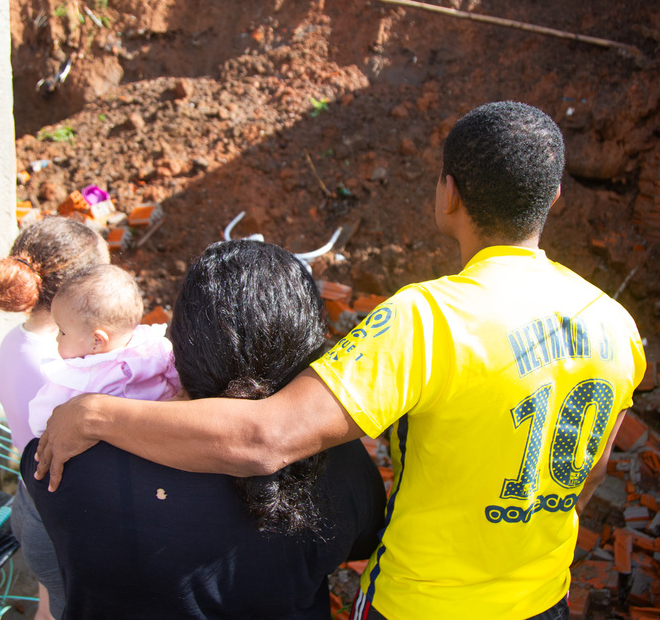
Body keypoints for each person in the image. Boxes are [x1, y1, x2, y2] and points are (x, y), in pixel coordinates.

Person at [34, 102, 646, 619]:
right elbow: (589, 473)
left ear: (449, 191)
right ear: (555, 197)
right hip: (543, 597)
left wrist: (95, 415)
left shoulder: (429, 320)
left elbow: (265, 438)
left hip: (420, 601)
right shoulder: (618, 327)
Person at [21, 240, 386, 619]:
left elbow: (47, 562)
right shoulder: (338, 457)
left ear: (182, 341)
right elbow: (364, 544)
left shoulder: (61, 459)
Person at [0, 216, 109, 620]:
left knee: (50, 604)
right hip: (60, 522)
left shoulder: (18, 341)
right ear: (80, 288)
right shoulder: (64, 367)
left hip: (29, 505)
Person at [28, 263, 179, 437]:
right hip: (164, 434)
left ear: (97, 341)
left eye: (62, 332)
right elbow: (178, 384)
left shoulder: (77, 379)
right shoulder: (156, 348)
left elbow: (39, 423)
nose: (57, 338)